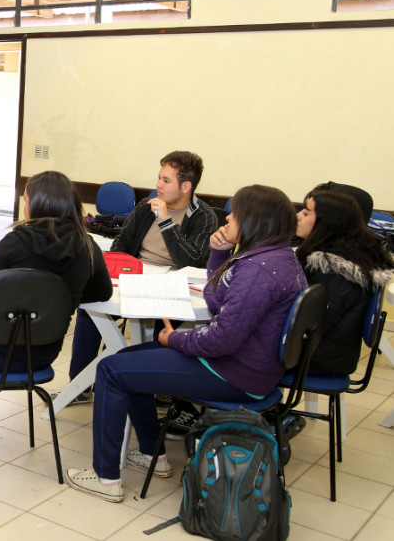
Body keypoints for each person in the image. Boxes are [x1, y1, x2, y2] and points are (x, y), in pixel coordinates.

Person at [65, 185, 306, 503]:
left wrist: (175, 339)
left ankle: (105, 478)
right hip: (247, 366)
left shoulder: (259, 271)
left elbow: (222, 338)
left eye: (237, 213)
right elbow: (217, 298)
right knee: (128, 359)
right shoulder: (271, 256)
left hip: (233, 373)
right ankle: (153, 455)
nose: (229, 216)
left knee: (112, 368)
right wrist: (219, 253)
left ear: (254, 222)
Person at [0, 170, 112, 434]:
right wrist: (65, 296)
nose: (24, 205)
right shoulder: (87, 245)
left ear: (36, 204)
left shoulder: (14, 242)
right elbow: (103, 293)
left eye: (25, 199)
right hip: (45, 355)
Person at [69, 150, 218, 406]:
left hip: (171, 287)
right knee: (90, 309)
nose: (158, 185)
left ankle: (151, 388)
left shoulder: (204, 217)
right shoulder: (145, 207)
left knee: (161, 324)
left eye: (166, 181)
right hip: (134, 277)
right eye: (159, 178)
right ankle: (79, 385)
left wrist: (166, 222)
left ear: (186, 186)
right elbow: (120, 246)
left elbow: (192, 261)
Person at [295, 189, 393, 374]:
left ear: (327, 223)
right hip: (323, 352)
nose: (298, 216)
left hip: (319, 359)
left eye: (306, 212)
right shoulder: (338, 256)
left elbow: (312, 327)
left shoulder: (333, 270)